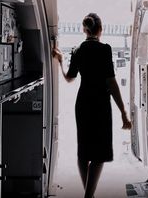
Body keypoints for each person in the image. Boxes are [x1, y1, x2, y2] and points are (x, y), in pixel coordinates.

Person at [52, 13, 132, 198]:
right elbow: (111, 83)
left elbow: (69, 79)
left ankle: (88, 195)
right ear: (100, 30)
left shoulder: (77, 49)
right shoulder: (105, 49)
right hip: (100, 103)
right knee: (100, 152)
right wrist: (123, 113)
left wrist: (61, 61)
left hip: (83, 103)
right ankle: (89, 196)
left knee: (84, 150)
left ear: (84, 30)